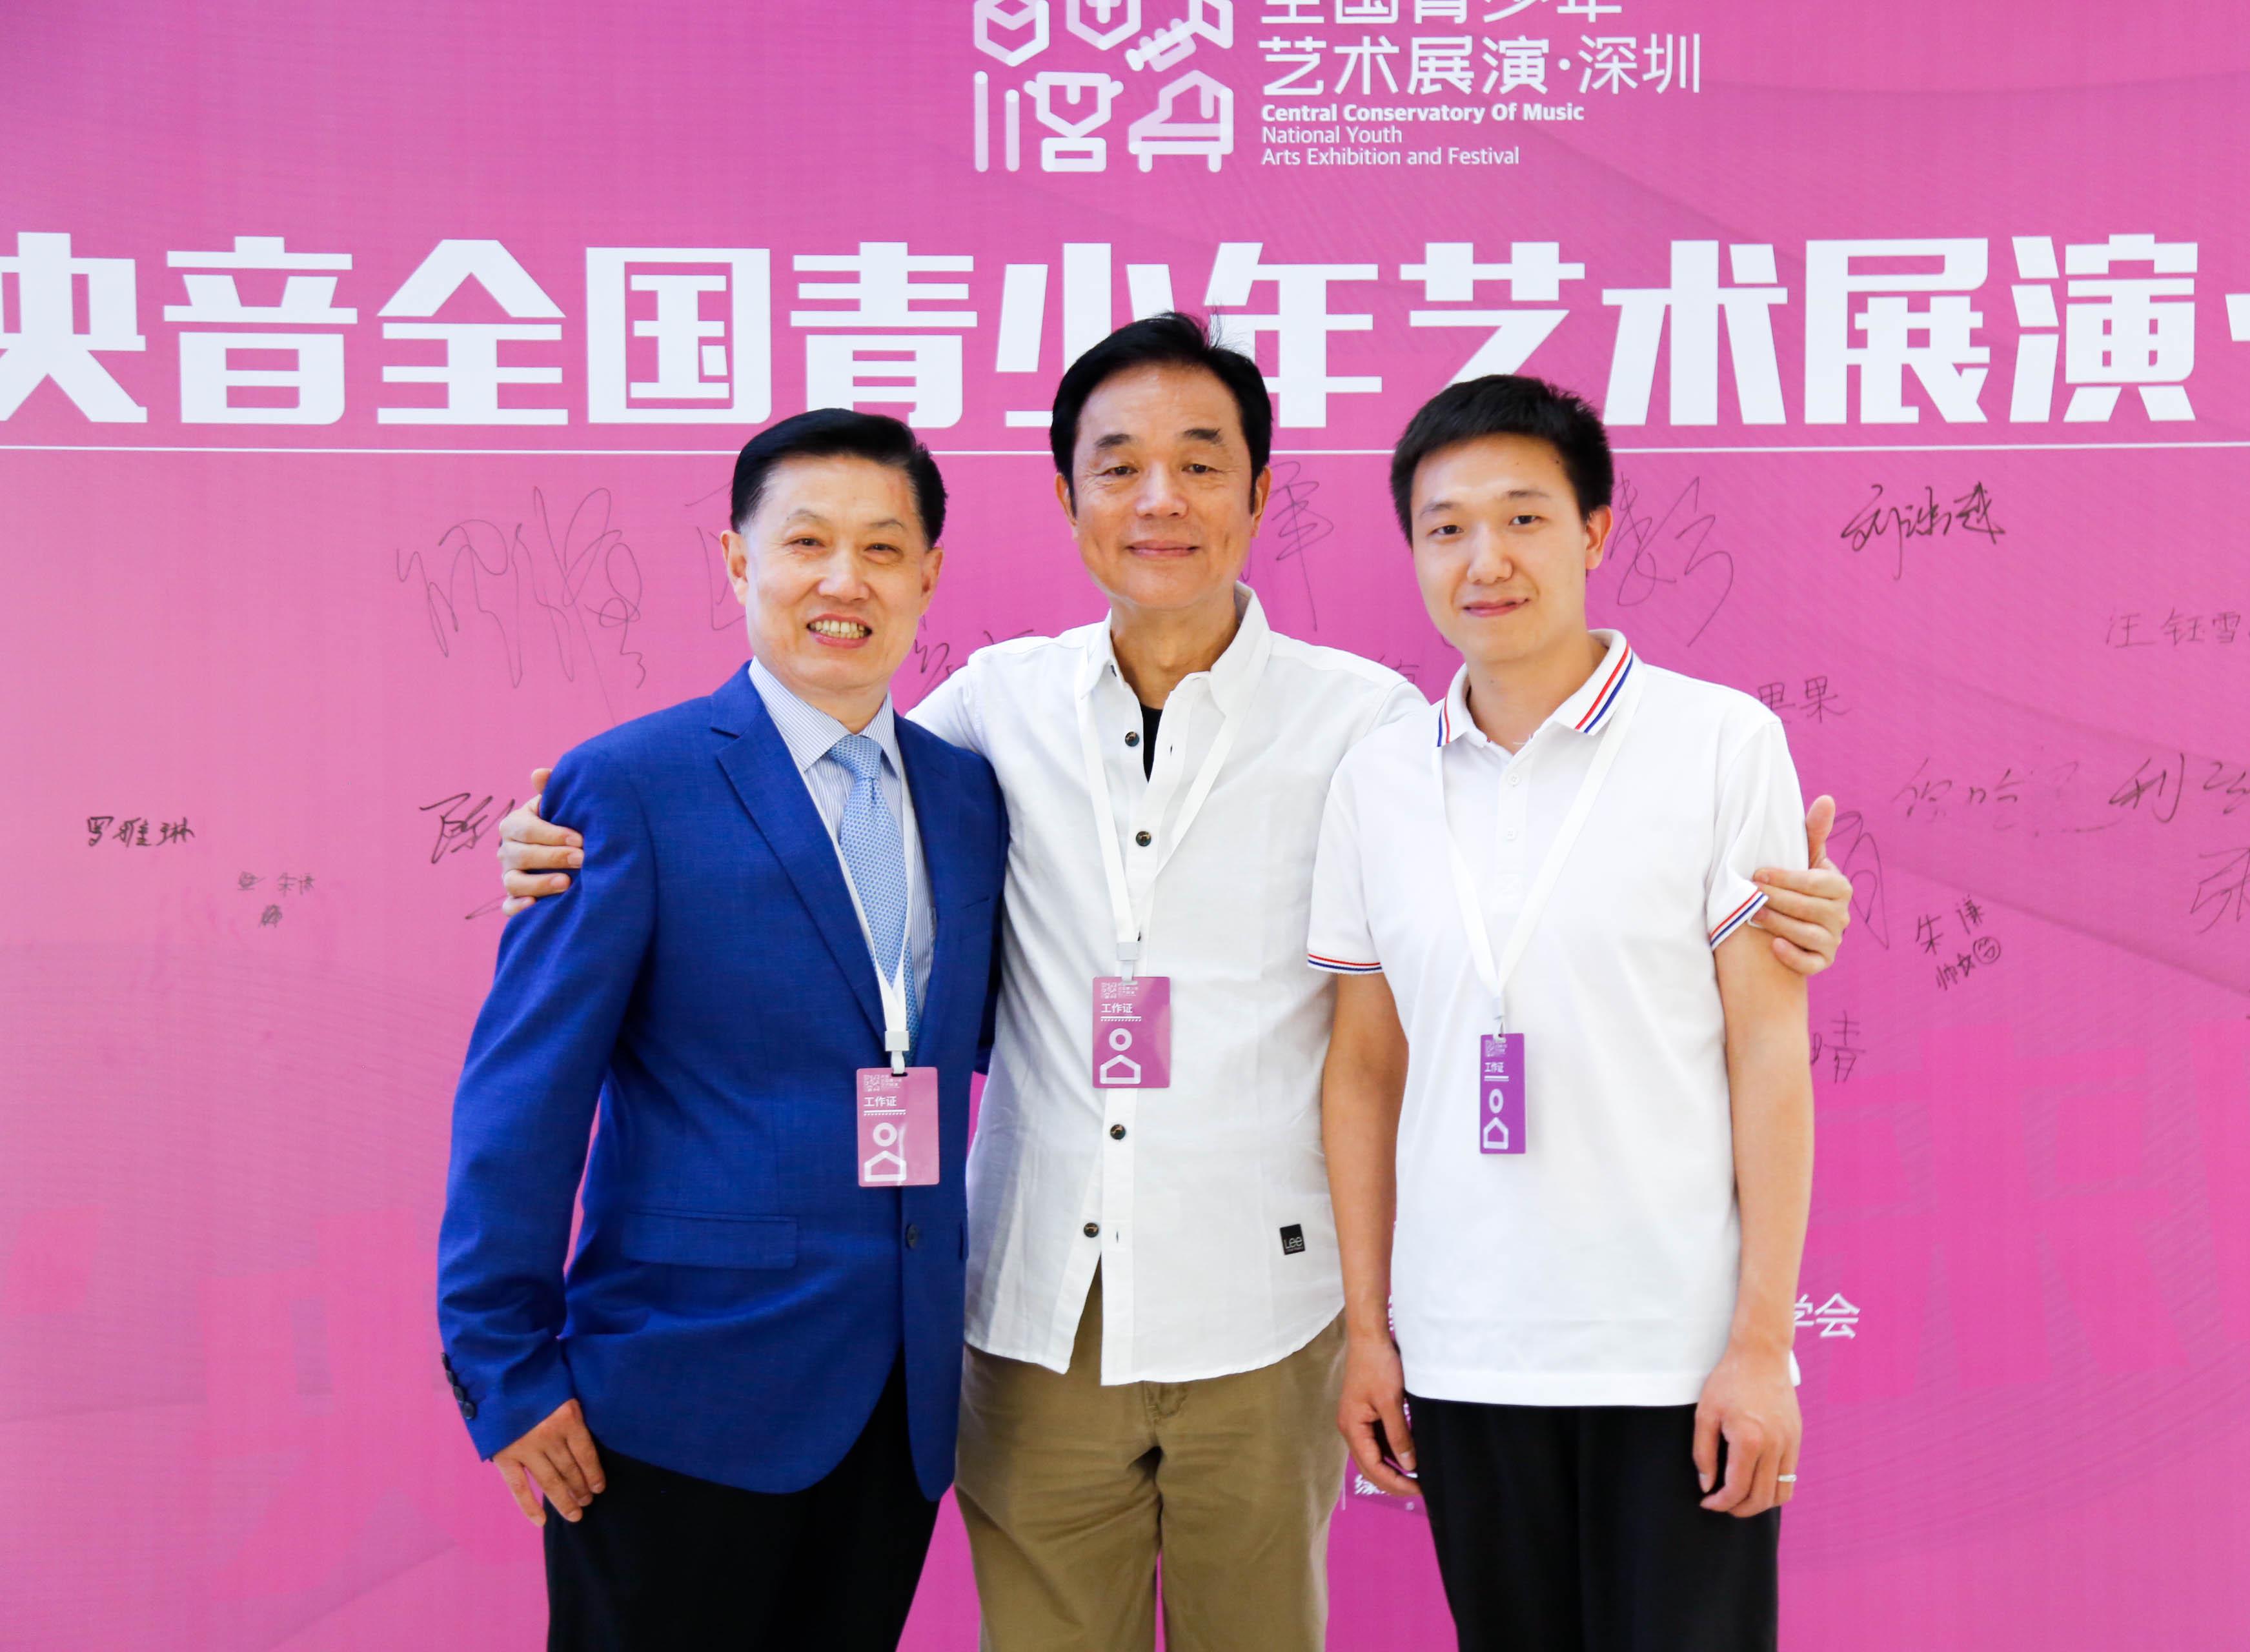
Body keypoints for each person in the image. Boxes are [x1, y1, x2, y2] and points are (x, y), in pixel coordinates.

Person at [494, 316, 1855, 1651]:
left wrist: (1773, 905)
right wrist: (578, 833)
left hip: (1264, 1317)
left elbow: (1493, 920)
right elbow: (823, 791)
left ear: (1260, 495)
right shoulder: (988, 712)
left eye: (1203, 463)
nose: (1162, 500)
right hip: (1035, 1313)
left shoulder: (1371, 729)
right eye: (1121, 466)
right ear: (1066, 498)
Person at [436, 408, 1008, 1651]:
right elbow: (523, 1099)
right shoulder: (627, 786)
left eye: (882, 548)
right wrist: (505, 1365)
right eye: (806, 543)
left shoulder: (968, 796)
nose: (844, 581)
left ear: (928, 576)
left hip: (898, 1404)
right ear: (739, 561)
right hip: (677, 1395)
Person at [1312, 374, 1813, 1651]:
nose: (1485, 560)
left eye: (1524, 518)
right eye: (1446, 528)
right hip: (1463, 1353)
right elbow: (1363, 1069)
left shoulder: (1721, 742)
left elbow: (1768, 1048)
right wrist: (1370, 1332)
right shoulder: (1375, 782)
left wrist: (1760, 1343)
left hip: (1673, 1354)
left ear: (1594, 531)